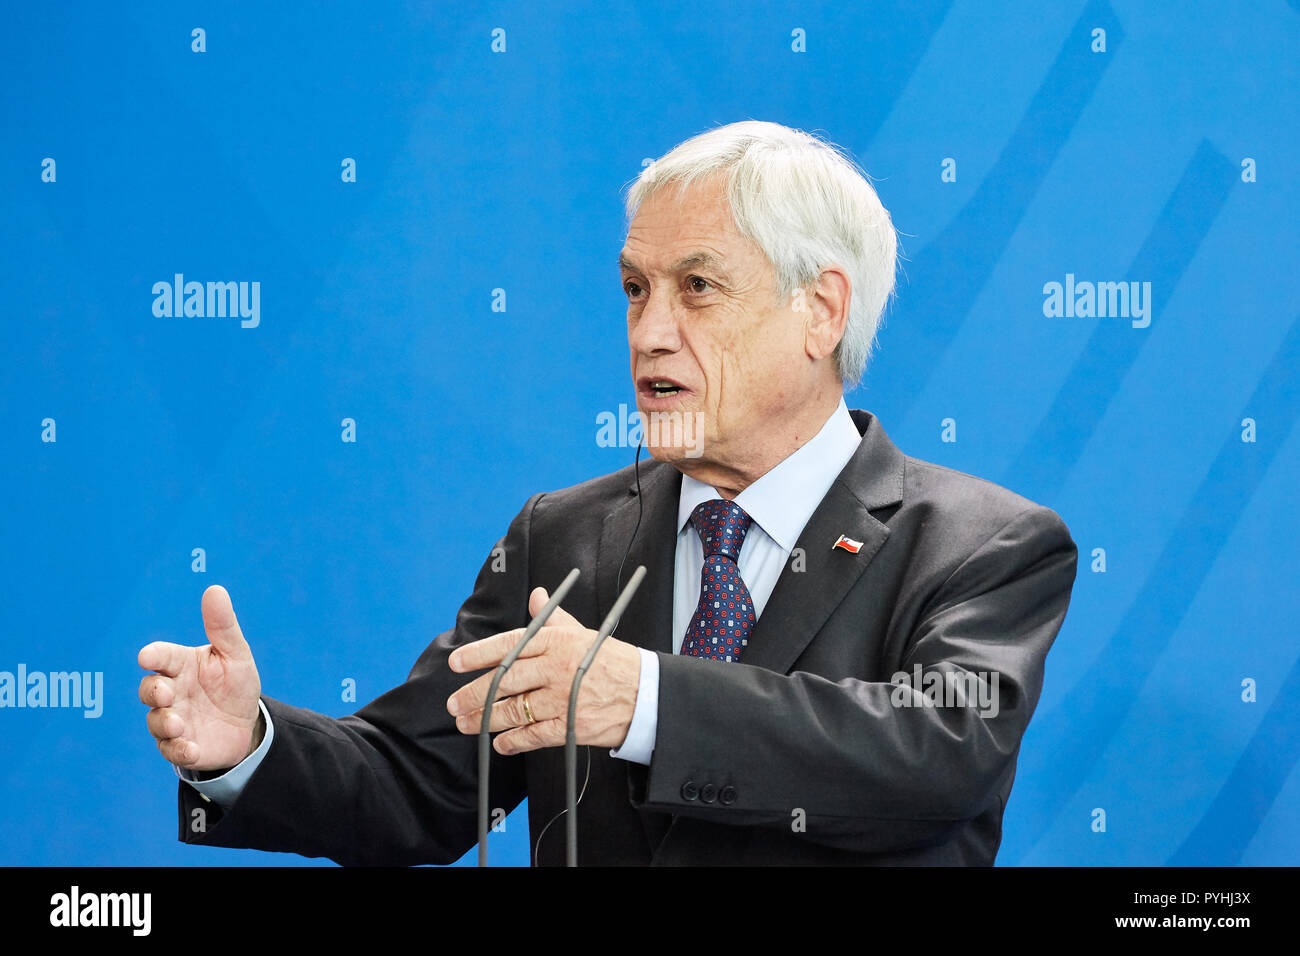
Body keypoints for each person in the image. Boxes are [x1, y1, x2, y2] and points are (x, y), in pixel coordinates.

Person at [138, 120, 1079, 865]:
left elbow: (936, 760)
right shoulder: (563, 539)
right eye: (635, 289)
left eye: (697, 287)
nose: (649, 333)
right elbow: (415, 784)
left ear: (821, 311)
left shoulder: (980, 545)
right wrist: (246, 747)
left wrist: (648, 705)